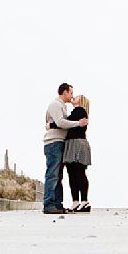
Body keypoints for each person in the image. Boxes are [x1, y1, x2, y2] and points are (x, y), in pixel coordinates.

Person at [43, 83, 88, 214]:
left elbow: (58, 123)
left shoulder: (62, 106)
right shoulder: (55, 105)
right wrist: (78, 123)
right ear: (65, 92)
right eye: (71, 93)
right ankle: (49, 204)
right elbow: (61, 123)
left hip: (60, 142)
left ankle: (57, 204)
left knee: (58, 175)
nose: (72, 95)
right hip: (53, 142)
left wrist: (51, 125)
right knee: (53, 174)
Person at [51, 94, 92, 212]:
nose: (74, 96)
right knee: (73, 173)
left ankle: (84, 201)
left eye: (78, 96)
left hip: (77, 144)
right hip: (72, 144)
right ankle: (76, 202)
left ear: (82, 101)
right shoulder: (76, 111)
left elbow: (64, 122)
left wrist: (51, 125)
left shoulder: (80, 110)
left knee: (78, 173)